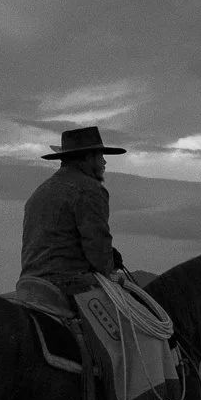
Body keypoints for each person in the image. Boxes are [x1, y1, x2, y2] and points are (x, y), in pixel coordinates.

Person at [20, 126, 128, 300]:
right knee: (127, 315)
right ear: (88, 157)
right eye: (100, 156)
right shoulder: (90, 190)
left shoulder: (40, 192)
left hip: (30, 283)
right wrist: (110, 270)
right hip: (69, 283)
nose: (104, 163)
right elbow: (98, 248)